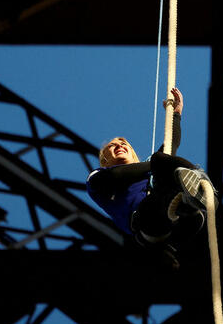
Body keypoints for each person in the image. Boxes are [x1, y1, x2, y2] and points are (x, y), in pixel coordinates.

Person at [86, 87, 215, 268]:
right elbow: (116, 175)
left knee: (165, 163)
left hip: (179, 224)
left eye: (123, 143)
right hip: (147, 222)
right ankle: (189, 202)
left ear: (132, 152)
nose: (119, 145)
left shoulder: (151, 171)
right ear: (105, 161)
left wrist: (176, 114)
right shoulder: (97, 179)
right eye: (112, 146)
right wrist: (157, 164)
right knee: (161, 161)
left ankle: (193, 199)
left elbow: (171, 144)